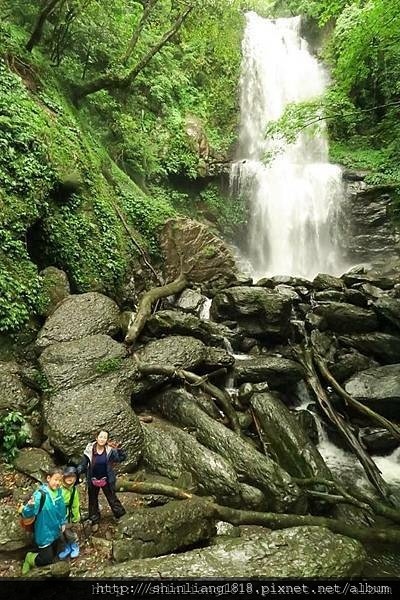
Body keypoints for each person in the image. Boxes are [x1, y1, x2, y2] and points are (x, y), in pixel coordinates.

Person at [77, 429, 126, 531]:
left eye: (105, 437)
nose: (102, 439)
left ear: (107, 440)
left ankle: (121, 515)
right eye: (101, 436)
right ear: (96, 438)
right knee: (93, 500)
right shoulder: (89, 450)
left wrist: (119, 450)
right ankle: (94, 519)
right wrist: (78, 470)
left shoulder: (110, 451)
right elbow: (83, 464)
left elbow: (121, 458)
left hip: (107, 479)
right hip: (93, 478)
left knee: (112, 498)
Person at [21, 467, 66, 575]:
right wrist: (30, 507)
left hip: (55, 529)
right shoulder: (40, 494)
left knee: (56, 552)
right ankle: (29, 558)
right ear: (48, 478)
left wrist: (62, 522)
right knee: (46, 559)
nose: (58, 483)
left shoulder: (59, 492)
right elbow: (27, 514)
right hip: (44, 531)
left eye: (60, 480)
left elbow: (61, 509)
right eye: (56, 480)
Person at [58, 466, 81, 559]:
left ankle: (74, 545)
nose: (70, 479)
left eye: (73, 477)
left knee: (68, 532)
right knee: (60, 534)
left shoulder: (74, 490)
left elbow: (75, 505)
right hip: (57, 515)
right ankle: (65, 547)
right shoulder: (58, 487)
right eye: (68, 476)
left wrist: (76, 518)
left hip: (68, 516)